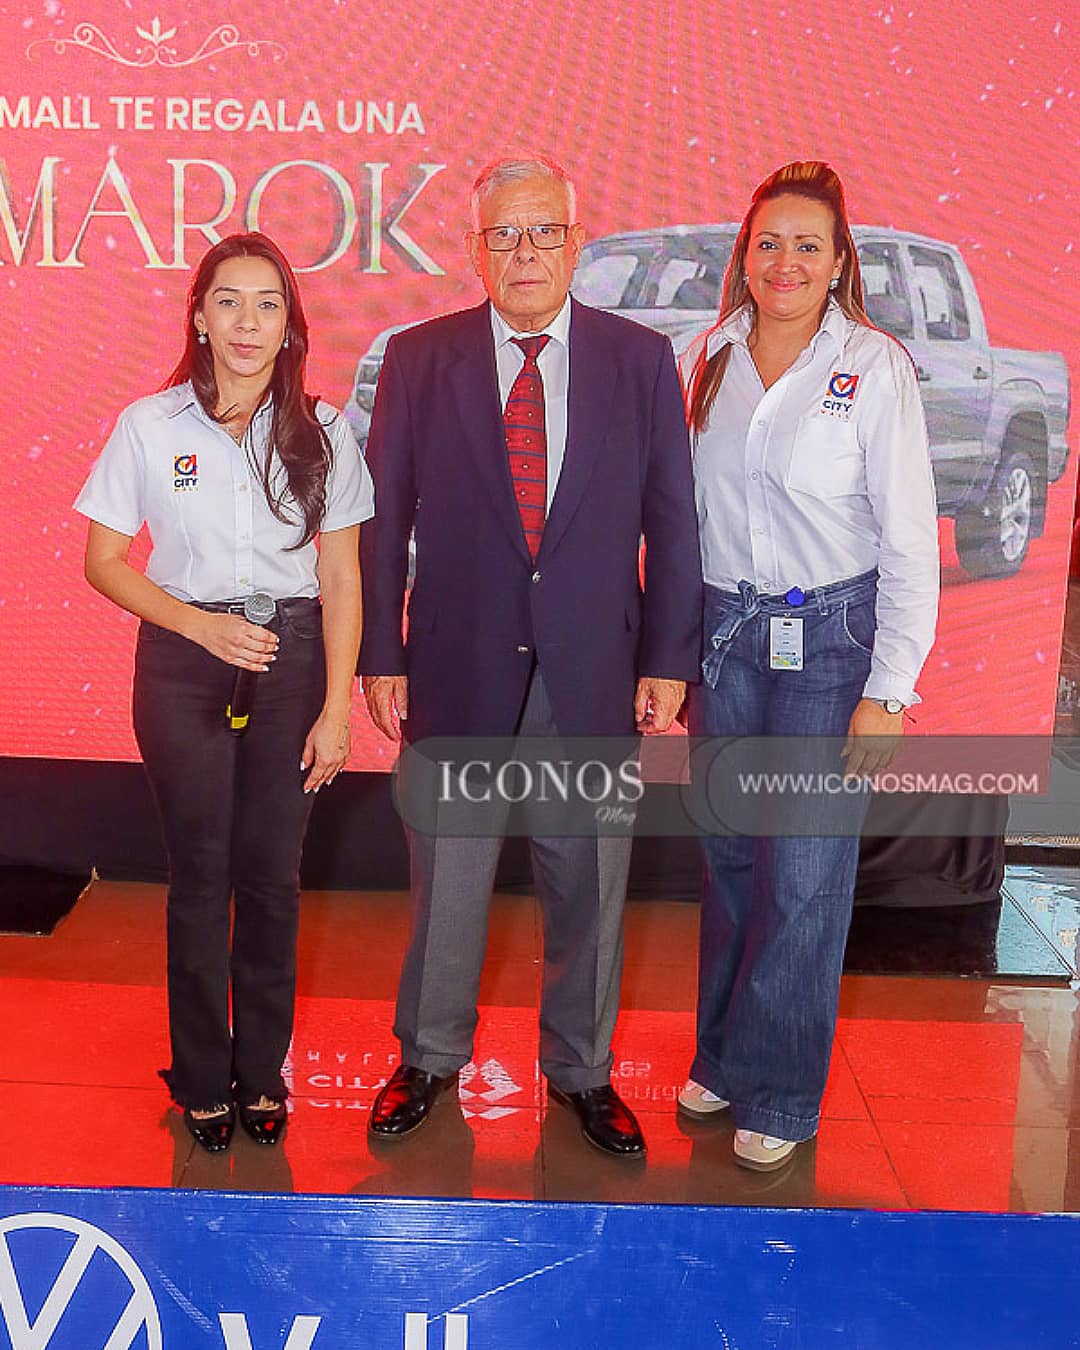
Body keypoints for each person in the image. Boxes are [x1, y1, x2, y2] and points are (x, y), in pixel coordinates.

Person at [359, 153, 701, 1158]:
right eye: (501, 234)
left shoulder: (639, 363)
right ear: (472, 250)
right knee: (448, 887)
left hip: (594, 672)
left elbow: (673, 525)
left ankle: (582, 1074)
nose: (522, 251)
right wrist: (383, 650)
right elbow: (384, 525)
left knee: (589, 883)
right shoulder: (421, 361)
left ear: (574, 240)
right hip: (456, 669)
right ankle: (427, 1058)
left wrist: (668, 657)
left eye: (541, 230)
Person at [75, 232, 374, 1152]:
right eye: (229, 302)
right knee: (198, 879)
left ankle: (261, 1072)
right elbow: (103, 563)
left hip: (290, 668)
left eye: (268, 304)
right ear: (199, 317)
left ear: (291, 327)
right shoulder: (150, 426)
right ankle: (203, 1077)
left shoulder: (325, 433)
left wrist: (334, 709)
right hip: (182, 661)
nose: (248, 322)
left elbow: (344, 579)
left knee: (273, 882)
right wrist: (198, 625)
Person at [677, 162, 939, 1170]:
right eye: (768, 243)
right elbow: (689, 516)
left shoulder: (873, 367)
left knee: (805, 874)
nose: (784, 262)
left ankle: (781, 1094)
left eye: (808, 246)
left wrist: (890, 689)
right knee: (733, 863)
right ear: (745, 257)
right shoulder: (710, 354)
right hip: (729, 637)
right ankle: (725, 1057)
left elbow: (911, 539)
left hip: (833, 645)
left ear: (839, 264)